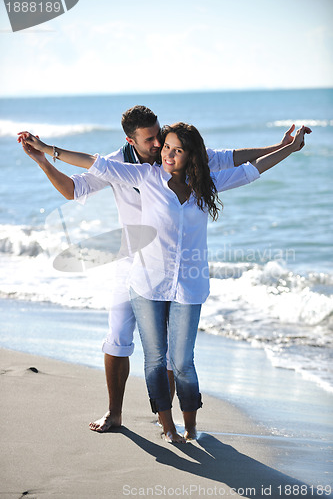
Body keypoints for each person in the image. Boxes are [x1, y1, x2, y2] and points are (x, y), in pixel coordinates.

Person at [17, 107, 304, 434]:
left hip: (176, 268)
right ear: (131, 140)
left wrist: (281, 147)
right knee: (118, 338)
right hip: (132, 261)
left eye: (160, 135)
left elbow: (234, 161)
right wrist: (43, 158)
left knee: (171, 352)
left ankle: (165, 416)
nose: (158, 144)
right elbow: (73, 188)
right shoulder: (124, 166)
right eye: (150, 139)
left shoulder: (178, 154)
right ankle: (115, 413)